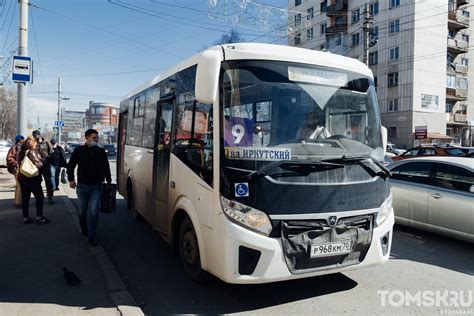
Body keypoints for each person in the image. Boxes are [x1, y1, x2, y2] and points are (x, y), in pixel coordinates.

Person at [67, 129, 111, 247]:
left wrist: (109, 181)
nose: (96, 140)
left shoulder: (100, 151)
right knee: (82, 211)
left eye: (97, 138)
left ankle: (91, 236)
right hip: (82, 186)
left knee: (93, 212)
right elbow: (70, 166)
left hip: (96, 186)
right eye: (93, 138)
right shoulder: (79, 150)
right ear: (86, 138)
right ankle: (84, 229)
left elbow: (106, 167)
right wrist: (71, 179)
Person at [18, 137, 49, 224]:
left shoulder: (21, 152)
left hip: (22, 178)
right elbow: (39, 164)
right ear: (31, 144)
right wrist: (44, 159)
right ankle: (39, 217)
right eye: (34, 143)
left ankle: (26, 218)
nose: (36, 144)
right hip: (32, 179)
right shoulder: (31, 152)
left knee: (25, 198)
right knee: (39, 197)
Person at [32, 130, 55, 204]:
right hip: (36, 166)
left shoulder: (46, 142)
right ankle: (39, 196)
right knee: (37, 182)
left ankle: (50, 197)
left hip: (45, 165)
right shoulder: (33, 143)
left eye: (36, 136)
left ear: (39, 135)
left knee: (48, 181)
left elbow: (51, 152)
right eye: (34, 136)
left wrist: (47, 158)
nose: (35, 137)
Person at [6, 135, 25, 208]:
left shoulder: (20, 147)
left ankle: (18, 201)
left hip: (21, 168)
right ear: (19, 140)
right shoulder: (15, 147)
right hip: (18, 168)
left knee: (19, 185)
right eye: (22, 139)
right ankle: (18, 202)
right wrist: (16, 164)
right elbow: (9, 158)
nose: (23, 140)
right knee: (19, 185)